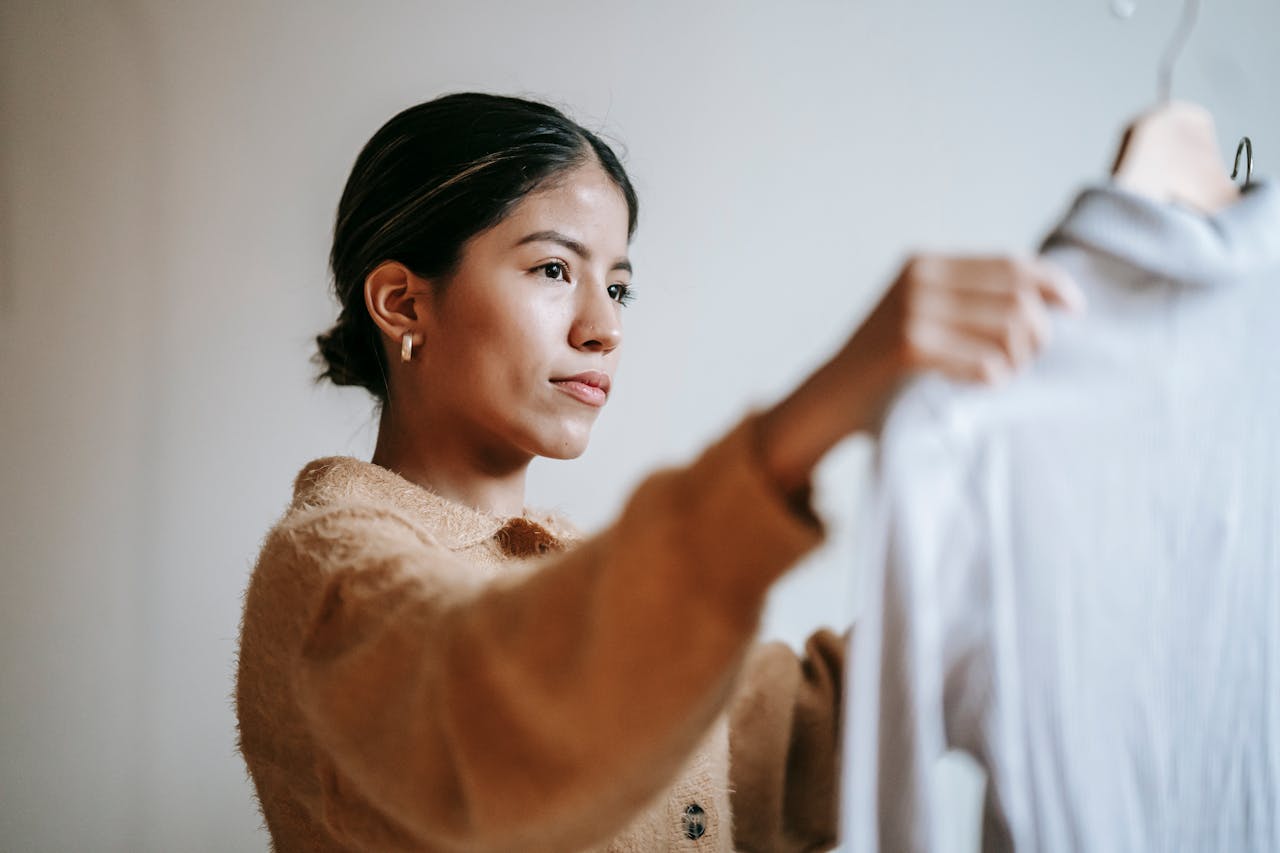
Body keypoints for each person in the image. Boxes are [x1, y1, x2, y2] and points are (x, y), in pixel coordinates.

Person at [233, 92, 1083, 853]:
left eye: (621, 286)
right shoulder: (325, 573)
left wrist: (988, 591)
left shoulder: (579, 577)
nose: (604, 326)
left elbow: (781, 748)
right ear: (403, 302)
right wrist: (810, 418)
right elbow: (504, 719)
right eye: (555, 269)